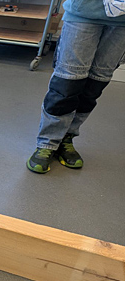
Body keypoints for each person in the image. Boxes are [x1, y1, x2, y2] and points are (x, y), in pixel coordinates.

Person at [26, 0, 125, 174]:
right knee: (67, 83)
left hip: (122, 23)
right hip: (85, 12)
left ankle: (67, 137)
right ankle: (48, 142)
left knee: (95, 85)